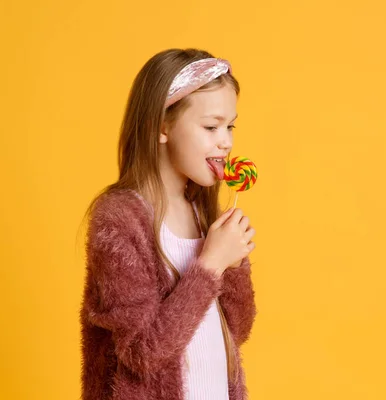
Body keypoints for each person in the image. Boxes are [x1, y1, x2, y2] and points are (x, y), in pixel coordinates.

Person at [80, 48, 257, 400]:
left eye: (230, 126)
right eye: (211, 126)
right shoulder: (118, 221)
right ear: (161, 126)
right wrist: (210, 266)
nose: (226, 140)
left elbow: (238, 330)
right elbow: (142, 352)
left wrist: (233, 267)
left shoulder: (203, 215)